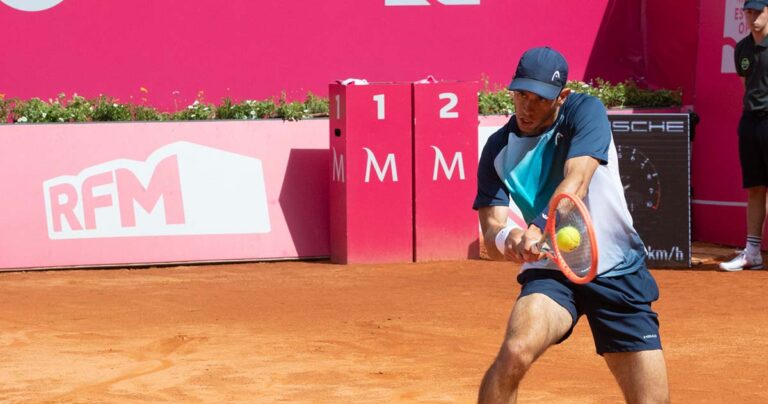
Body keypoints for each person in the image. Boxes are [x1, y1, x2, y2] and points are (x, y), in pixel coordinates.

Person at [474, 46, 669, 403]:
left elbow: (576, 181)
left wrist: (537, 228)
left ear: (562, 97)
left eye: (538, 98)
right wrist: (510, 239)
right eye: (520, 95)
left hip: (615, 268)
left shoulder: (586, 111)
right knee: (515, 352)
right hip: (552, 271)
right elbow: (491, 231)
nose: (526, 108)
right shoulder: (497, 150)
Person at [720, 0, 768, 271]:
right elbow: (746, 86)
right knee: (755, 188)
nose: (752, 17)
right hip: (750, 122)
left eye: (758, 11)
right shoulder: (741, 48)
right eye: (748, 12)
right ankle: (753, 252)